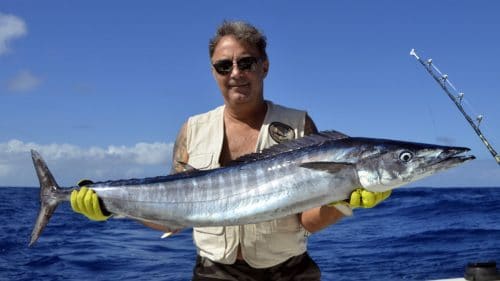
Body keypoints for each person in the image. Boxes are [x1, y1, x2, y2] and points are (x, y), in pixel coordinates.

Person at [70, 20, 391, 280]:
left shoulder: (298, 124)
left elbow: (307, 220)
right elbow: (174, 215)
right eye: (223, 66)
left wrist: (343, 203)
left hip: (289, 272)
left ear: (264, 66)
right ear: (213, 72)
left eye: (245, 62)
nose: (235, 73)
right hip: (213, 273)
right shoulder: (191, 129)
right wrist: (109, 207)